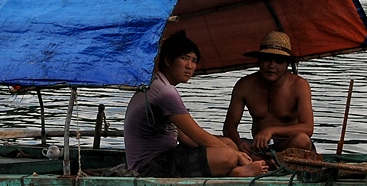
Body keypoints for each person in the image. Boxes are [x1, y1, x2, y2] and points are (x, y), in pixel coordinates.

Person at [124, 31, 268, 178]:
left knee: (229, 144)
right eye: (184, 58)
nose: (190, 66)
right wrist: (237, 155)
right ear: (168, 61)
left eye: (194, 60)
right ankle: (236, 173)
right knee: (227, 156)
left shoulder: (158, 84)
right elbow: (198, 136)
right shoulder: (164, 92)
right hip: (149, 167)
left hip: (166, 157)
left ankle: (233, 170)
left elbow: (186, 137)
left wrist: (232, 150)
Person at [223, 31, 314, 155]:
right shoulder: (244, 85)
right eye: (267, 60)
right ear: (259, 61)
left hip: (288, 145)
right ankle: (264, 160)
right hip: (257, 146)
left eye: (278, 61)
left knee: (302, 140)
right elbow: (229, 126)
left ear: (287, 64)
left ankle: (272, 161)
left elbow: (308, 128)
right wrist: (239, 144)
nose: (271, 66)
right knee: (221, 142)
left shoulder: (299, 85)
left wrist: (271, 131)